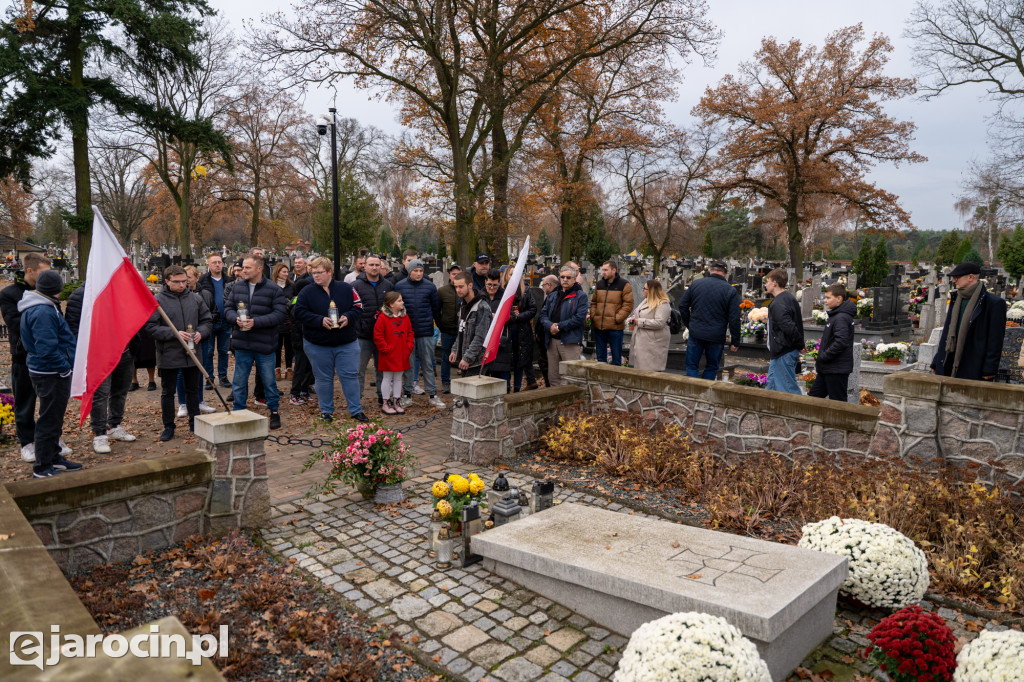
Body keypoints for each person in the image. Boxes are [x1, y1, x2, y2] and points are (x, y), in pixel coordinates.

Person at [0, 252, 70, 464]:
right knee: (25, 402)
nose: (46, 277)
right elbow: (15, 324)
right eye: (43, 273)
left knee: (51, 403)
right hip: (24, 356)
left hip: (50, 358)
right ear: (30, 271)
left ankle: (51, 439)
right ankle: (27, 442)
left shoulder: (46, 291)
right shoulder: (10, 294)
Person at [18, 270, 82, 477]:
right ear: (58, 288)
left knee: (53, 418)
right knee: (49, 419)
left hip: (48, 370)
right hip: (50, 372)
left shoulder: (43, 306)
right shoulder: (43, 311)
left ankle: (53, 456)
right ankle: (43, 466)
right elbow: (47, 348)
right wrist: (64, 367)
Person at [292, 256, 369, 423]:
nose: (315, 276)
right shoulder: (306, 291)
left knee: (349, 376)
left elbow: (358, 306)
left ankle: (356, 410)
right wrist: (319, 320)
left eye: (319, 272)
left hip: (346, 342)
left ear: (329, 272)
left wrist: (349, 317)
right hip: (318, 344)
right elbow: (298, 312)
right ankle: (326, 411)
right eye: (313, 272)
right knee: (323, 378)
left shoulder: (346, 288)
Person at [65, 284, 138, 453]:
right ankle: (99, 433)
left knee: (120, 390)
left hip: (123, 351)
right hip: (98, 355)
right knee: (100, 394)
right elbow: (73, 327)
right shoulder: (80, 295)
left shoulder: (121, 288)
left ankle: (115, 426)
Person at [145, 265, 213, 441]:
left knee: (193, 390)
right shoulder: (157, 300)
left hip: (192, 353)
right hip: (169, 353)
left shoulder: (195, 299)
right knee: (168, 392)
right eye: (177, 282)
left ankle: (194, 422)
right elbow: (151, 328)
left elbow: (207, 320)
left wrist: (201, 332)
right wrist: (173, 333)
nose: (182, 285)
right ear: (167, 281)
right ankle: (169, 426)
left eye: (185, 281)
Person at [224, 253, 287, 429]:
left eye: (247, 268)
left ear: (259, 269)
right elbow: (228, 308)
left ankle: (274, 412)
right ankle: (239, 412)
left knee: (269, 381)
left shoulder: (274, 289)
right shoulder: (237, 288)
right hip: (242, 343)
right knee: (239, 381)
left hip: (264, 344)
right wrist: (234, 318)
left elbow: (280, 314)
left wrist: (256, 322)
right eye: (243, 267)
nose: (243, 270)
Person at [931, 261, 1007, 380]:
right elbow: (948, 331)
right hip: (949, 362)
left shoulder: (994, 303)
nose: (954, 280)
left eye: (957, 277)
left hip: (974, 364)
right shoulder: (956, 298)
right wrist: (937, 360)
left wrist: (990, 368)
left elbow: (995, 339)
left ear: (971, 277)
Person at [677, 260, 741, 380]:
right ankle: (705, 395)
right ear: (726, 273)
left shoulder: (696, 284)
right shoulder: (730, 290)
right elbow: (734, 318)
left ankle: (692, 392)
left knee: (692, 365)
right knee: (712, 366)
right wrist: (735, 340)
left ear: (710, 270)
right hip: (716, 335)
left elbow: (682, 306)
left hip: (696, 332)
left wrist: (690, 324)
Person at [395, 259, 445, 408]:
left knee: (428, 364)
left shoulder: (430, 287)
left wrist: (439, 326)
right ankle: (407, 394)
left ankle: (433, 394)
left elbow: (436, 309)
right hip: (407, 333)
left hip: (426, 332)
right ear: (410, 271)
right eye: (415, 271)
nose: (418, 273)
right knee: (408, 365)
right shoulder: (400, 286)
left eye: (421, 271)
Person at [352, 253, 394, 406]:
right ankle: (357, 399)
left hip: (383, 336)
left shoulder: (388, 285)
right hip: (363, 335)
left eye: (377, 265)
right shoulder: (356, 286)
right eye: (371, 265)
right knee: (359, 369)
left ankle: (382, 397)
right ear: (365, 266)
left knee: (382, 369)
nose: (374, 268)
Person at [539, 265, 589, 386]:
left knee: (570, 377)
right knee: (553, 376)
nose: (565, 279)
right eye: (562, 277)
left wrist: (559, 326)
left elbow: (579, 318)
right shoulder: (553, 295)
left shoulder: (580, 296)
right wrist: (550, 326)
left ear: (574, 279)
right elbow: (543, 315)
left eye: (568, 277)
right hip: (552, 341)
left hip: (569, 342)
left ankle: (570, 404)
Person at [176, 265, 215, 416]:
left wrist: (202, 331)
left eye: (188, 278)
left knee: (199, 369)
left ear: (196, 278)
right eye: (183, 279)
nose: (185, 282)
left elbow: (211, 314)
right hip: (183, 338)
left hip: (199, 338)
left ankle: (199, 401)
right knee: (181, 372)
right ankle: (183, 403)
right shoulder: (177, 296)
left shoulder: (203, 294)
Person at [809, 284, 856, 401]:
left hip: (835, 369)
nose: (825, 301)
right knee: (813, 400)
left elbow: (841, 341)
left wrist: (824, 356)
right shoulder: (836, 315)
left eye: (828, 298)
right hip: (828, 368)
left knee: (838, 404)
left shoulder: (841, 317)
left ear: (839, 298)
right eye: (825, 297)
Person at [764, 268, 804, 394]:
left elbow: (789, 326)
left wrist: (800, 345)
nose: (765, 285)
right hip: (782, 351)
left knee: (788, 389)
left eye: (767, 281)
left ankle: (797, 412)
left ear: (774, 283)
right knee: (771, 386)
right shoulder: (789, 298)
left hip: (783, 351)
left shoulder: (778, 303)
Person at [374, 291, 415, 415]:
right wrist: (386, 349)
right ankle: (386, 403)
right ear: (391, 304)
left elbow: (410, 333)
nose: (402, 302)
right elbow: (378, 336)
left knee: (398, 378)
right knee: (387, 378)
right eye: (399, 300)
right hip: (388, 354)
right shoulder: (383, 317)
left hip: (402, 353)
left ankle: (396, 401)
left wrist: (408, 347)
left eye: (401, 300)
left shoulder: (404, 316)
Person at [501, 266, 539, 391]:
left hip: (522, 330)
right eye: (511, 274)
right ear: (506, 276)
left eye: (516, 274)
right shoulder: (502, 291)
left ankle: (517, 387)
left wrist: (520, 316)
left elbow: (533, 309)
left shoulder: (526, 290)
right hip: (507, 330)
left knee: (520, 360)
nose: (513, 276)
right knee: (507, 360)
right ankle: (506, 386)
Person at [449, 271, 492, 377]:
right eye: (456, 287)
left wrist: (467, 358)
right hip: (465, 358)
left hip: (475, 362)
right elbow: (461, 330)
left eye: (461, 286)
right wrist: (455, 350)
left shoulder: (482, 307)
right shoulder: (464, 304)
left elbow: (480, 337)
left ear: (470, 285)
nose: (458, 290)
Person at [591, 260, 633, 366]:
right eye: (602, 270)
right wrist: (594, 316)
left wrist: (617, 318)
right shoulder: (600, 284)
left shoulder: (624, 284)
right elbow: (594, 302)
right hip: (599, 326)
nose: (603, 272)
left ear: (613, 270)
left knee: (616, 359)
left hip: (615, 328)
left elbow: (628, 305)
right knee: (600, 359)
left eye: (606, 270)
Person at [198, 254, 231, 388]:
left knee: (224, 350)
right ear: (208, 265)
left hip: (226, 320)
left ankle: (223, 376)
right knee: (209, 351)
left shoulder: (228, 280)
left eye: (219, 262)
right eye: (214, 262)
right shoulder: (202, 281)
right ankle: (209, 377)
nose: (217, 265)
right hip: (209, 321)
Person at [627, 280, 672, 372]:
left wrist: (639, 321)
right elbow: (640, 314)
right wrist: (633, 319)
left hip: (653, 343)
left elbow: (659, 322)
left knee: (649, 370)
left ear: (652, 290)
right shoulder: (645, 301)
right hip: (641, 340)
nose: (643, 290)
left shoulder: (663, 304)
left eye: (645, 288)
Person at [480, 268, 513, 389]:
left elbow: (513, 317)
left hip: (501, 343)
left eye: (495, 285)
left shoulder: (506, 296)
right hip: (484, 341)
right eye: (489, 284)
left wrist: (499, 317)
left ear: (499, 282)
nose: (492, 287)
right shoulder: (480, 296)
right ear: (485, 282)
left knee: (503, 382)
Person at [287, 276, 316, 404]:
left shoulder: (308, 301)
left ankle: (304, 390)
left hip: (310, 339)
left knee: (310, 367)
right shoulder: (297, 303)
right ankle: (295, 393)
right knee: (300, 367)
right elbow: (300, 322)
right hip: (300, 340)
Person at [437, 264, 462, 394]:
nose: (455, 276)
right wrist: (441, 325)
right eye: (453, 274)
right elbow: (437, 311)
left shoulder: (465, 290)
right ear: (450, 276)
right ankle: (446, 382)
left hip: (461, 331)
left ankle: (464, 381)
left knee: (462, 356)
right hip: (447, 330)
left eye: (458, 274)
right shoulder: (442, 291)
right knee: (446, 357)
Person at [271, 263, 295, 380]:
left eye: (287, 272)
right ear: (277, 272)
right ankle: (277, 368)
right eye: (284, 272)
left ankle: (289, 368)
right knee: (277, 346)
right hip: (277, 321)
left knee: (289, 346)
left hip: (289, 321)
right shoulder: (272, 286)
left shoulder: (291, 286)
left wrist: (290, 303)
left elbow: (295, 299)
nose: (286, 274)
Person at [535, 274, 559, 387]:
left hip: (547, 337)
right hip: (546, 335)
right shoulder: (554, 295)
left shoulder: (552, 297)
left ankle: (550, 385)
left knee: (546, 363)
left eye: (544, 285)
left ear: (549, 285)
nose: (544, 288)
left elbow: (545, 317)